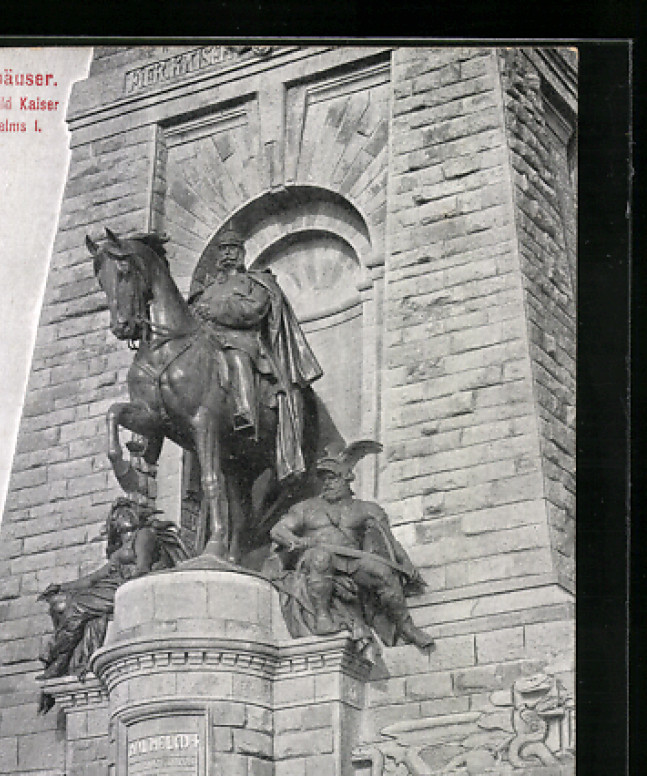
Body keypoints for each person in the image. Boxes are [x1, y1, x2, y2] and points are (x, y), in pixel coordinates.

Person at [269, 441, 435, 655]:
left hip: (353, 560)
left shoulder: (367, 509)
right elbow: (278, 530)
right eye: (324, 480)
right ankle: (323, 618)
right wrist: (295, 541)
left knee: (383, 573)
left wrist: (407, 566)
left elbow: (389, 542)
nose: (327, 484)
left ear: (347, 479)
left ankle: (406, 627)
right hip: (315, 557)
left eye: (333, 478)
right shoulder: (305, 508)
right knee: (320, 558)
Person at [188, 223, 322, 480]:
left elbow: (254, 310)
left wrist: (216, 311)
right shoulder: (207, 289)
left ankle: (245, 411)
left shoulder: (255, 282)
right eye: (223, 250)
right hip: (207, 342)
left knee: (237, 359)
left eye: (232, 249)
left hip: (243, 340)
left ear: (242, 253)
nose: (227, 254)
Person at [37, 498, 188, 711]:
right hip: (113, 587)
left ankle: (57, 663)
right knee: (60, 604)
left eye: (126, 512)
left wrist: (129, 586)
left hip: (129, 586)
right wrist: (62, 587)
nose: (121, 517)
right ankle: (58, 661)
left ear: (136, 514)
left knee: (75, 608)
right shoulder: (121, 549)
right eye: (116, 515)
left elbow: (143, 566)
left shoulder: (144, 535)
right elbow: (93, 578)